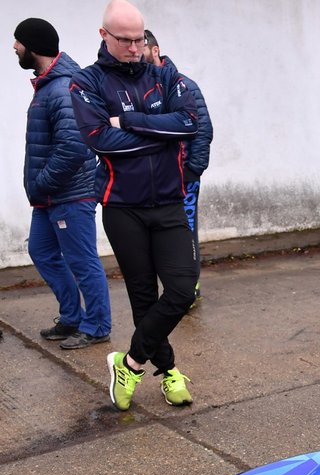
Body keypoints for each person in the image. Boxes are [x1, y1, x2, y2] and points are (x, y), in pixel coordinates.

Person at [70, 0, 198, 410]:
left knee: (180, 290)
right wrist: (163, 133)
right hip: (122, 206)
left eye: (139, 38)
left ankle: (129, 362)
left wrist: (125, 122)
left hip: (168, 203)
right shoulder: (85, 82)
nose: (133, 47)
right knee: (143, 297)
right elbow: (99, 140)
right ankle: (169, 371)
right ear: (104, 35)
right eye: (124, 39)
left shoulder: (165, 76)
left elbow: (189, 124)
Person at [14, 17, 112, 350]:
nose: (14, 47)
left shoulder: (62, 87)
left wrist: (41, 183)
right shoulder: (47, 84)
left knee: (82, 261)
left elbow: (74, 147)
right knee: (40, 251)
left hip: (70, 193)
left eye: (19, 41)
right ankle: (72, 317)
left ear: (34, 47)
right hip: (50, 195)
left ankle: (97, 325)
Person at [142, 28, 212, 307]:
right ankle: (173, 289)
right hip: (154, 179)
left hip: (185, 177)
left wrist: (192, 170)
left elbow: (203, 130)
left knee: (186, 231)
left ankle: (190, 291)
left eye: (141, 46)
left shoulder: (184, 85)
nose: (135, 54)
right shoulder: (141, 88)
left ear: (155, 49)